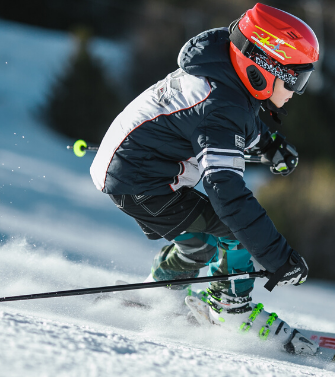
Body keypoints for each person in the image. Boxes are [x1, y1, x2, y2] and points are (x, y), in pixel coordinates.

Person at [90, 3, 320, 351]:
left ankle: (157, 294)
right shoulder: (219, 107)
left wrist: (270, 145)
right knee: (235, 232)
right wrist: (278, 258)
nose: (296, 91)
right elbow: (226, 193)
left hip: (136, 172)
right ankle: (232, 309)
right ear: (264, 67)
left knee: (201, 242)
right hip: (142, 183)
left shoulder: (223, 75)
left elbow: (240, 120)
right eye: (296, 79)